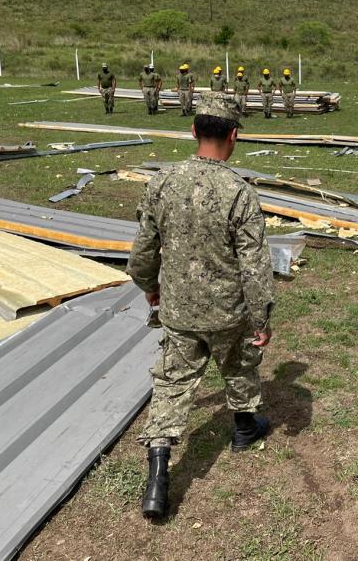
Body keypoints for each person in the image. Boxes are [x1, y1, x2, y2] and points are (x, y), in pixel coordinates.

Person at [127, 92, 275, 519]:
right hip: (228, 312)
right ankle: (245, 428)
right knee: (239, 365)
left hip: (179, 312)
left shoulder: (162, 183)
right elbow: (255, 266)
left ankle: (158, 476)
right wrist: (260, 316)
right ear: (233, 135)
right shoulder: (240, 193)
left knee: (172, 382)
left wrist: (148, 286)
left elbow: (142, 253)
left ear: (193, 131)